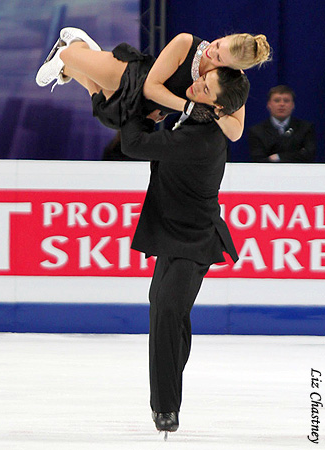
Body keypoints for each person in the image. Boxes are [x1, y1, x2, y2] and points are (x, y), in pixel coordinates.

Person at [119, 66, 250, 437]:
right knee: (169, 312)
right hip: (176, 233)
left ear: (218, 107)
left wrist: (139, 115)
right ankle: (168, 385)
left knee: (166, 313)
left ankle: (165, 408)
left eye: (205, 87)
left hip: (192, 240)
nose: (196, 85)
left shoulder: (201, 138)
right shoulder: (195, 121)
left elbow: (133, 145)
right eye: (202, 79)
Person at [36, 27, 270, 142]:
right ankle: (72, 48)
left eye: (219, 58)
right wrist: (187, 107)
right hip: (133, 76)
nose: (212, 51)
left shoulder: (231, 81)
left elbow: (236, 132)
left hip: (148, 106)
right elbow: (151, 87)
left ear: (229, 68)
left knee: (109, 115)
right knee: (92, 72)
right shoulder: (185, 43)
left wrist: (214, 112)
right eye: (219, 44)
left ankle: (69, 62)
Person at [248, 85, 316, 162]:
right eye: (277, 100)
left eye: (286, 100)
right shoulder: (257, 131)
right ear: (269, 104)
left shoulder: (305, 128)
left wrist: (278, 157)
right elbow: (258, 159)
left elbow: (309, 155)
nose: (282, 104)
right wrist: (295, 155)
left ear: (293, 105)